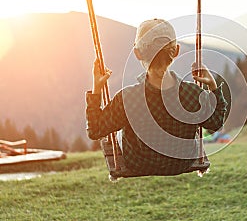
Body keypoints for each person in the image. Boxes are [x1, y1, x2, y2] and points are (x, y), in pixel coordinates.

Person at [85, 18, 227, 175]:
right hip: (181, 162)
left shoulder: (127, 98)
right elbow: (216, 123)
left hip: (139, 163)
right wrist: (213, 87)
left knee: (120, 129)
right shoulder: (193, 94)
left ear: (137, 53)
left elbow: (95, 130)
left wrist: (97, 89)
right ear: (177, 51)